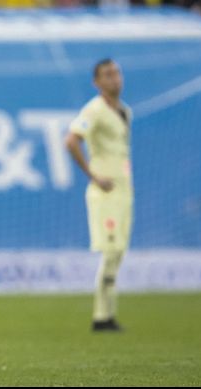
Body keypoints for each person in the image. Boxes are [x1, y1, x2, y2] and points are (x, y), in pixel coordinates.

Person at [65, 59, 133, 332]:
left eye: (117, 72)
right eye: (108, 75)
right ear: (97, 82)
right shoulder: (94, 110)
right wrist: (93, 175)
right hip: (105, 191)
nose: (114, 78)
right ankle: (101, 316)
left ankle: (108, 314)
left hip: (124, 189)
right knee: (111, 250)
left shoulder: (124, 111)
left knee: (118, 252)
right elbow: (71, 140)